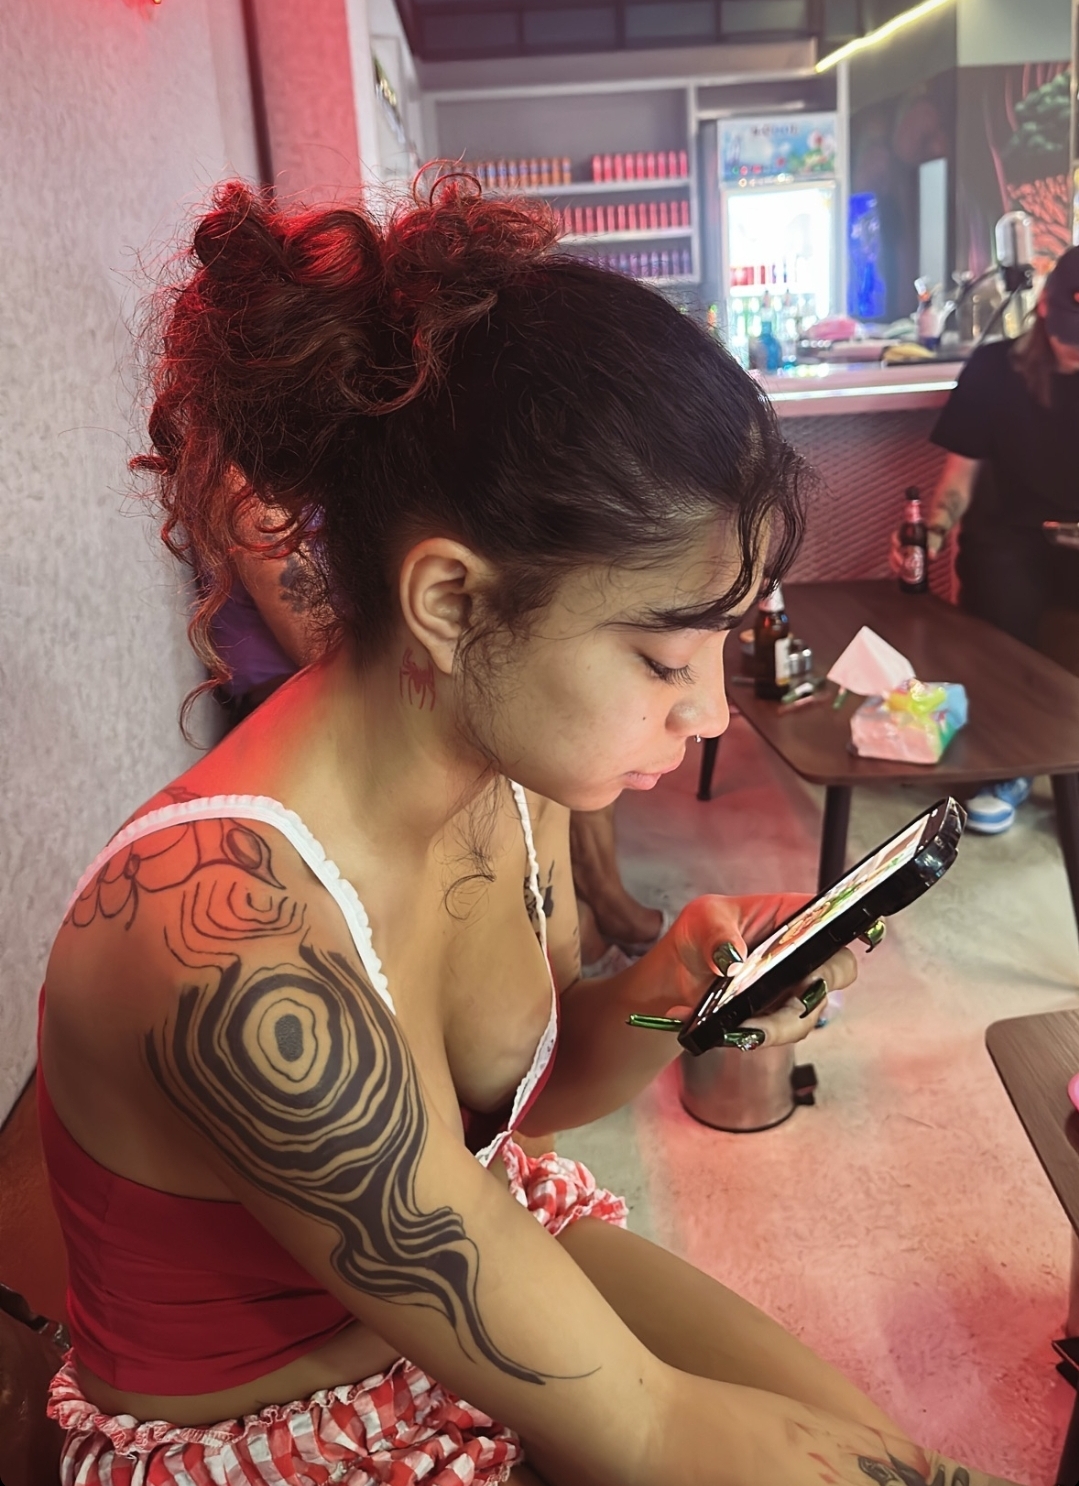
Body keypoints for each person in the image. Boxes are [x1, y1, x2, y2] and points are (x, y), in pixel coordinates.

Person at [39, 178, 1018, 1486]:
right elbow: (644, 1425)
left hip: (479, 1253)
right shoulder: (223, 943)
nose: (706, 707)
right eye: (663, 654)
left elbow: (510, 1103)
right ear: (450, 601)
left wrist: (674, 982)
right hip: (274, 1430)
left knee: (877, 1445)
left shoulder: (512, 773)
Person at [920, 246, 1079, 833]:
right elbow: (958, 480)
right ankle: (1010, 765)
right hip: (1012, 536)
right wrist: (933, 531)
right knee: (1001, 602)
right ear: (1046, 308)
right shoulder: (994, 369)